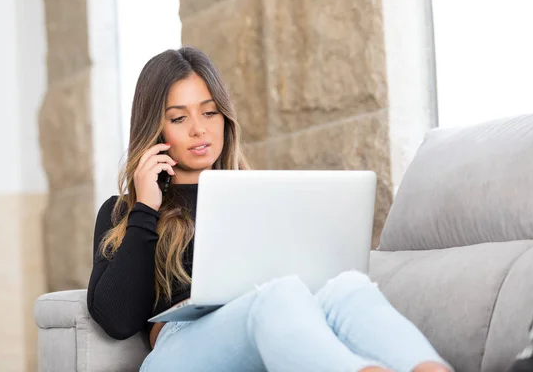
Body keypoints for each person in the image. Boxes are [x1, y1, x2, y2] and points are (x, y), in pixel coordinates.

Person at [87, 46, 453, 372]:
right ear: (155, 128)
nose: (199, 130)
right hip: (179, 346)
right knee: (276, 295)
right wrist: (147, 208)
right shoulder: (126, 211)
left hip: (274, 318)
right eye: (179, 118)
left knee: (348, 286)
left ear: (224, 118)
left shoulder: (258, 196)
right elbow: (116, 319)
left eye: (210, 113)